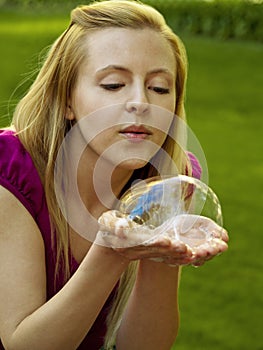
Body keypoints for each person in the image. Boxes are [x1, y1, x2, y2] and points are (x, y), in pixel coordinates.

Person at [0, 1, 228, 349]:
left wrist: (164, 253)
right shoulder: (12, 171)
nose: (140, 102)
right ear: (67, 100)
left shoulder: (169, 178)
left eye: (159, 88)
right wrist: (111, 253)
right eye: (113, 84)